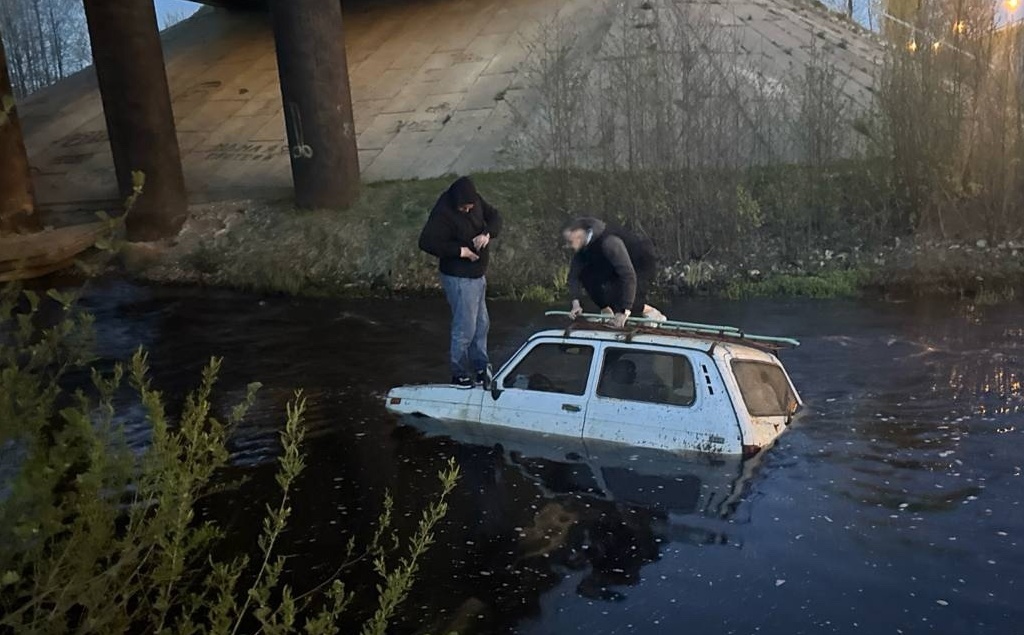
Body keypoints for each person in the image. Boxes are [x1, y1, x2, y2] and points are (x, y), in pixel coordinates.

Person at [419, 176, 503, 387]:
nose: (467, 211)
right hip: (459, 277)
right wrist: (460, 251)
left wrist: (486, 234)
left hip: (477, 276)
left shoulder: (475, 201)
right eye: (463, 209)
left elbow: (495, 217)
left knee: (482, 324)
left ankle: (480, 366)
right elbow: (426, 242)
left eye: (470, 208)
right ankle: (459, 372)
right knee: (465, 327)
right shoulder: (443, 214)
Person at [562, 216, 666, 328]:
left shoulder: (610, 242)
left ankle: (651, 312)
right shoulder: (582, 248)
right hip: (612, 266)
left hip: (640, 263)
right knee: (586, 276)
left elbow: (628, 275)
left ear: (579, 233)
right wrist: (576, 304)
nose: (568, 246)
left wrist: (623, 312)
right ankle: (607, 312)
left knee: (620, 297)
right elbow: (573, 276)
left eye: (569, 241)